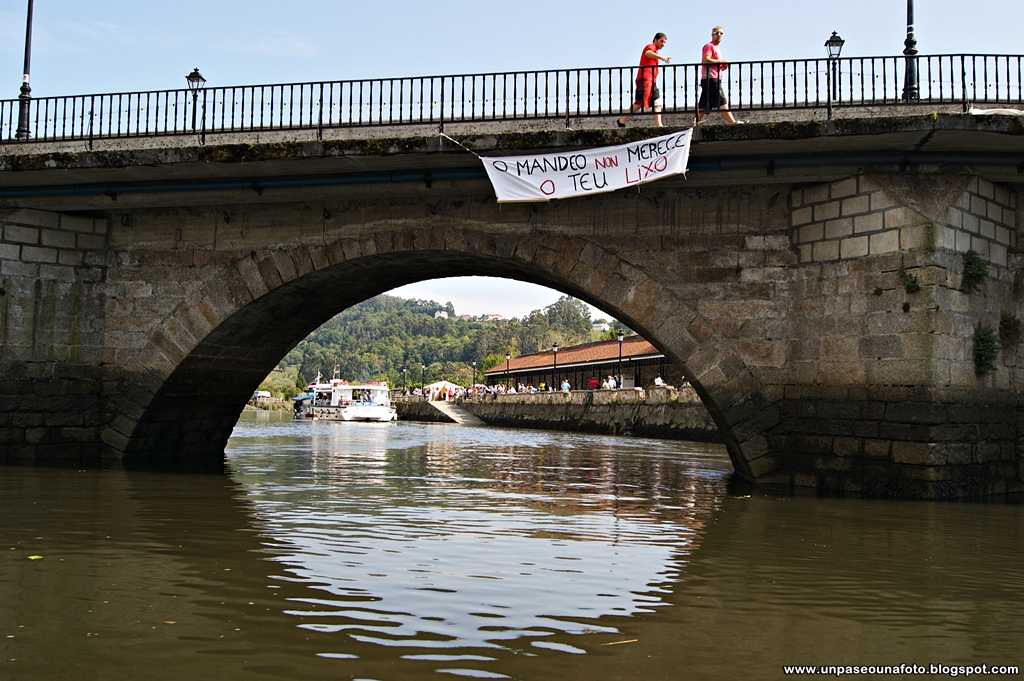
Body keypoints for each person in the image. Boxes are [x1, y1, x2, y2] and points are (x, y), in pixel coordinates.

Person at [617, 33, 671, 128]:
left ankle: (659, 125)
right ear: (655, 39)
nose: (663, 44)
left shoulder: (655, 51)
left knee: (657, 102)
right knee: (640, 102)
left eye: (664, 42)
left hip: (651, 81)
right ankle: (621, 120)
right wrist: (662, 58)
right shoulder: (651, 46)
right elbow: (647, 53)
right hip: (645, 79)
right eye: (661, 41)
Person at [697, 27, 740, 125]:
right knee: (722, 101)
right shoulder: (709, 46)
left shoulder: (717, 48)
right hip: (711, 78)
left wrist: (723, 66)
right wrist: (721, 61)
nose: (719, 35)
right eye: (717, 33)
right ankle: (733, 123)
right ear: (712, 34)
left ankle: (694, 124)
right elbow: (706, 60)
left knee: (703, 103)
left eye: (721, 33)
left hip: (712, 78)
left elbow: (714, 64)